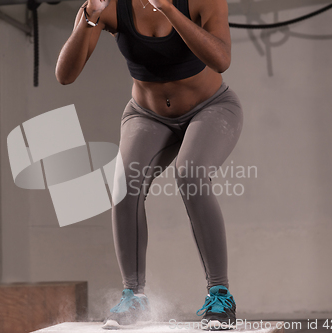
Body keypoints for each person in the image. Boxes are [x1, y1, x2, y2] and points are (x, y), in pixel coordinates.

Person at [56, 0, 242, 329]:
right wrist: (89, 17)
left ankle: (220, 294)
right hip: (147, 115)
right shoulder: (108, 5)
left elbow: (221, 59)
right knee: (125, 186)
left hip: (211, 107)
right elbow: (65, 75)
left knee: (190, 174)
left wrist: (171, 10)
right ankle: (134, 297)